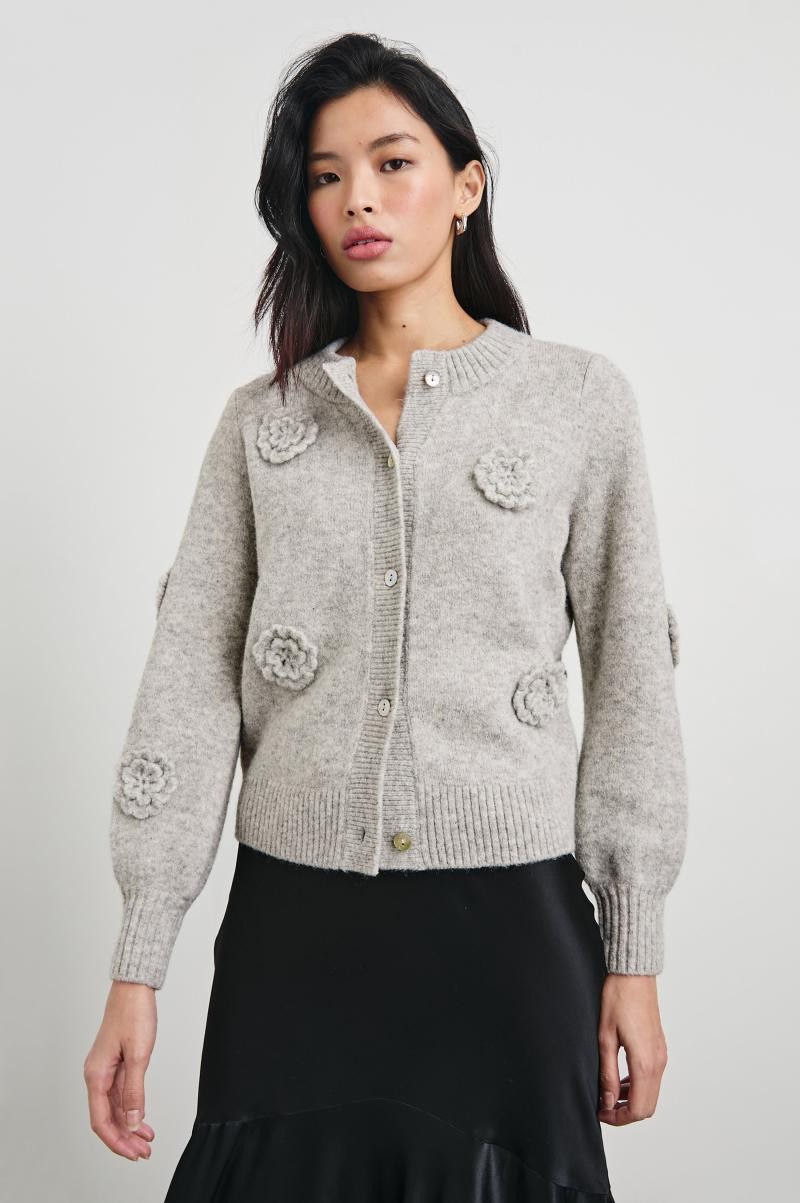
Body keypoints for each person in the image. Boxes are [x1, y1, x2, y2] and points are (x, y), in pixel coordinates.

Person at [83, 31, 688, 1202]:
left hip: (508, 923)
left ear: (465, 187)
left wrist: (634, 951)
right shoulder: (261, 424)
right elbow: (188, 685)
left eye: (391, 162)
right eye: (324, 175)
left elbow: (630, 682)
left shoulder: (575, 400)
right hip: (294, 928)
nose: (356, 197)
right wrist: (138, 961)